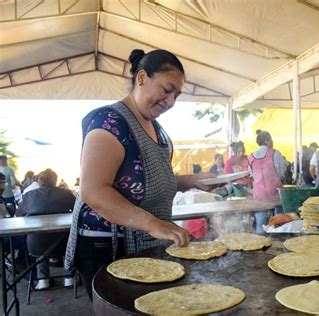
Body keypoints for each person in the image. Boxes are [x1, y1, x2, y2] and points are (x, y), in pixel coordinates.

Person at [64, 49, 215, 299]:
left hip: (145, 242)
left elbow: (142, 181)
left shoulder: (157, 129)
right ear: (142, 78)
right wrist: (154, 224)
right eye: (167, 90)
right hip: (106, 245)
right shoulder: (108, 122)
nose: (171, 102)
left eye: (176, 95)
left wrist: (190, 180)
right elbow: (94, 191)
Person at [17, 169, 76, 289]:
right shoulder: (66, 193)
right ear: (55, 181)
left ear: (39, 181)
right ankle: (69, 278)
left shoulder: (28, 196)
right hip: (64, 243)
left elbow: (19, 215)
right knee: (67, 240)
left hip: (35, 244)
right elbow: (77, 211)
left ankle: (43, 280)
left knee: (40, 239)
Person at [248, 130, 288, 233]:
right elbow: (281, 172)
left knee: (260, 224)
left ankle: (259, 244)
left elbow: (252, 175)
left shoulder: (250, 157)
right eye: (271, 139)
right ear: (266, 141)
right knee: (279, 223)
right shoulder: (275, 153)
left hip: (259, 195)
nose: (272, 141)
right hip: (275, 193)